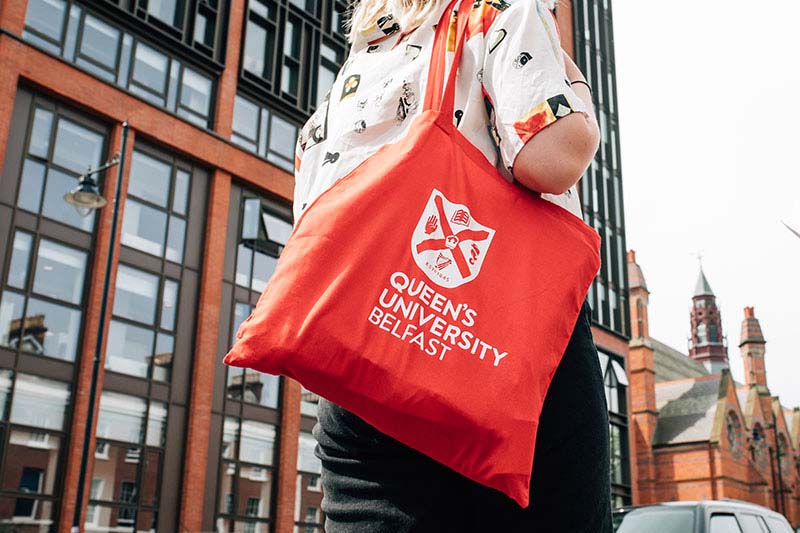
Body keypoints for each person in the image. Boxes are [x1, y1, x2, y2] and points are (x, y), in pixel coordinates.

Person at [293, 0, 611, 531]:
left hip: (365, 366)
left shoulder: (362, 61)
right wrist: (572, 83)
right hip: (495, 353)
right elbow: (552, 158)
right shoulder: (504, 12)